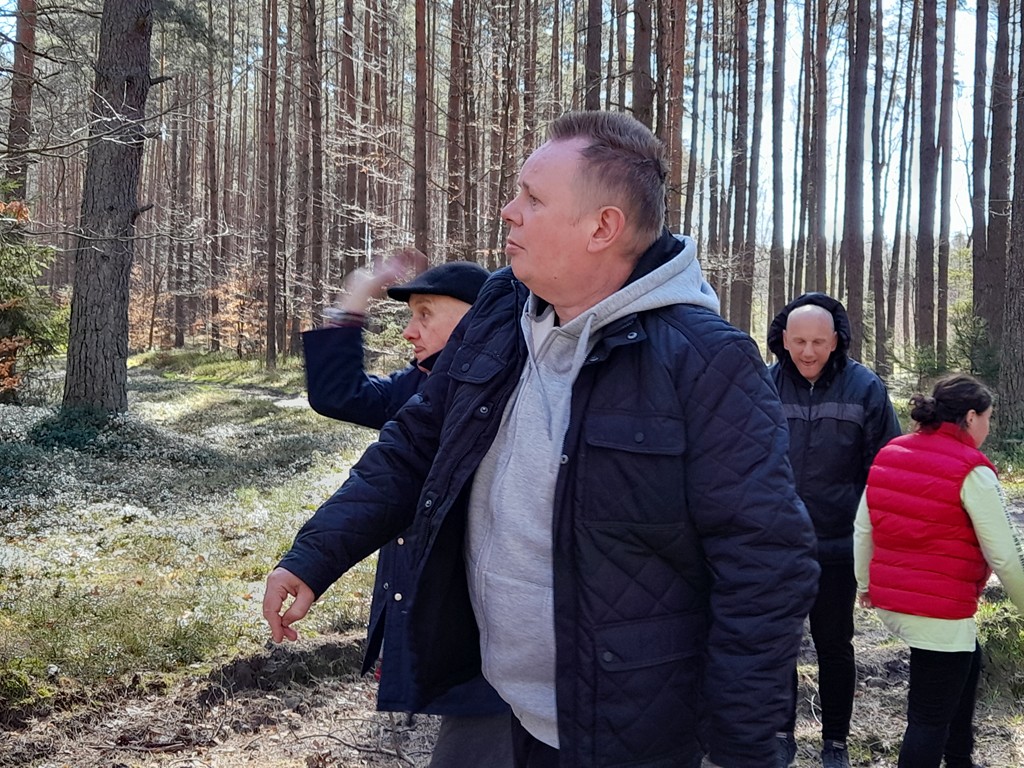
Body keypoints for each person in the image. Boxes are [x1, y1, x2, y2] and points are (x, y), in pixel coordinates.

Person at [265, 110, 819, 768]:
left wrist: (744, 752)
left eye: (532, 198)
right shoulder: (503, 307)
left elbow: (764, 566)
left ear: (602, 228)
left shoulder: (705, 360)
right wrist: (315, 554)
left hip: (634, 736)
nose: (508, 211)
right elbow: (417, 442)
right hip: (506, 703)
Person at [302, 252, 513, 768]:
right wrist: (355, 296)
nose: (409, 331)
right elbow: (338, 394)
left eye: (425, 314)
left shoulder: (517, 387)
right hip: (441, 620)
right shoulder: (418, 387)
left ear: (476, 317)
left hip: (496, 627)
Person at [854, 373, 1024, 768]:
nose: (988, 427)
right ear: (970, 417)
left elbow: (864, 528)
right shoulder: (973, 470)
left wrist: (865, 585)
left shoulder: (892, 452)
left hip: (894, 600)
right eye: (988, 418)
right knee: (927, 720)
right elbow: (1005, 556)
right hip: (938, 609)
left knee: (968, 659)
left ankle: (959, 759)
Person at [767, 293, 902, 768]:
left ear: (836, 341)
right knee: (779, 645)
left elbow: (885, 470)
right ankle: (780, 734)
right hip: (776, 545)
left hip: (839, 545)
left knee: (834, 645)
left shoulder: (865, 387)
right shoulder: (763, 385)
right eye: (799, 341)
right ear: (784, 340)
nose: (808, 352)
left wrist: (879, 540)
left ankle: (836, 743)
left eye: (818, 342)